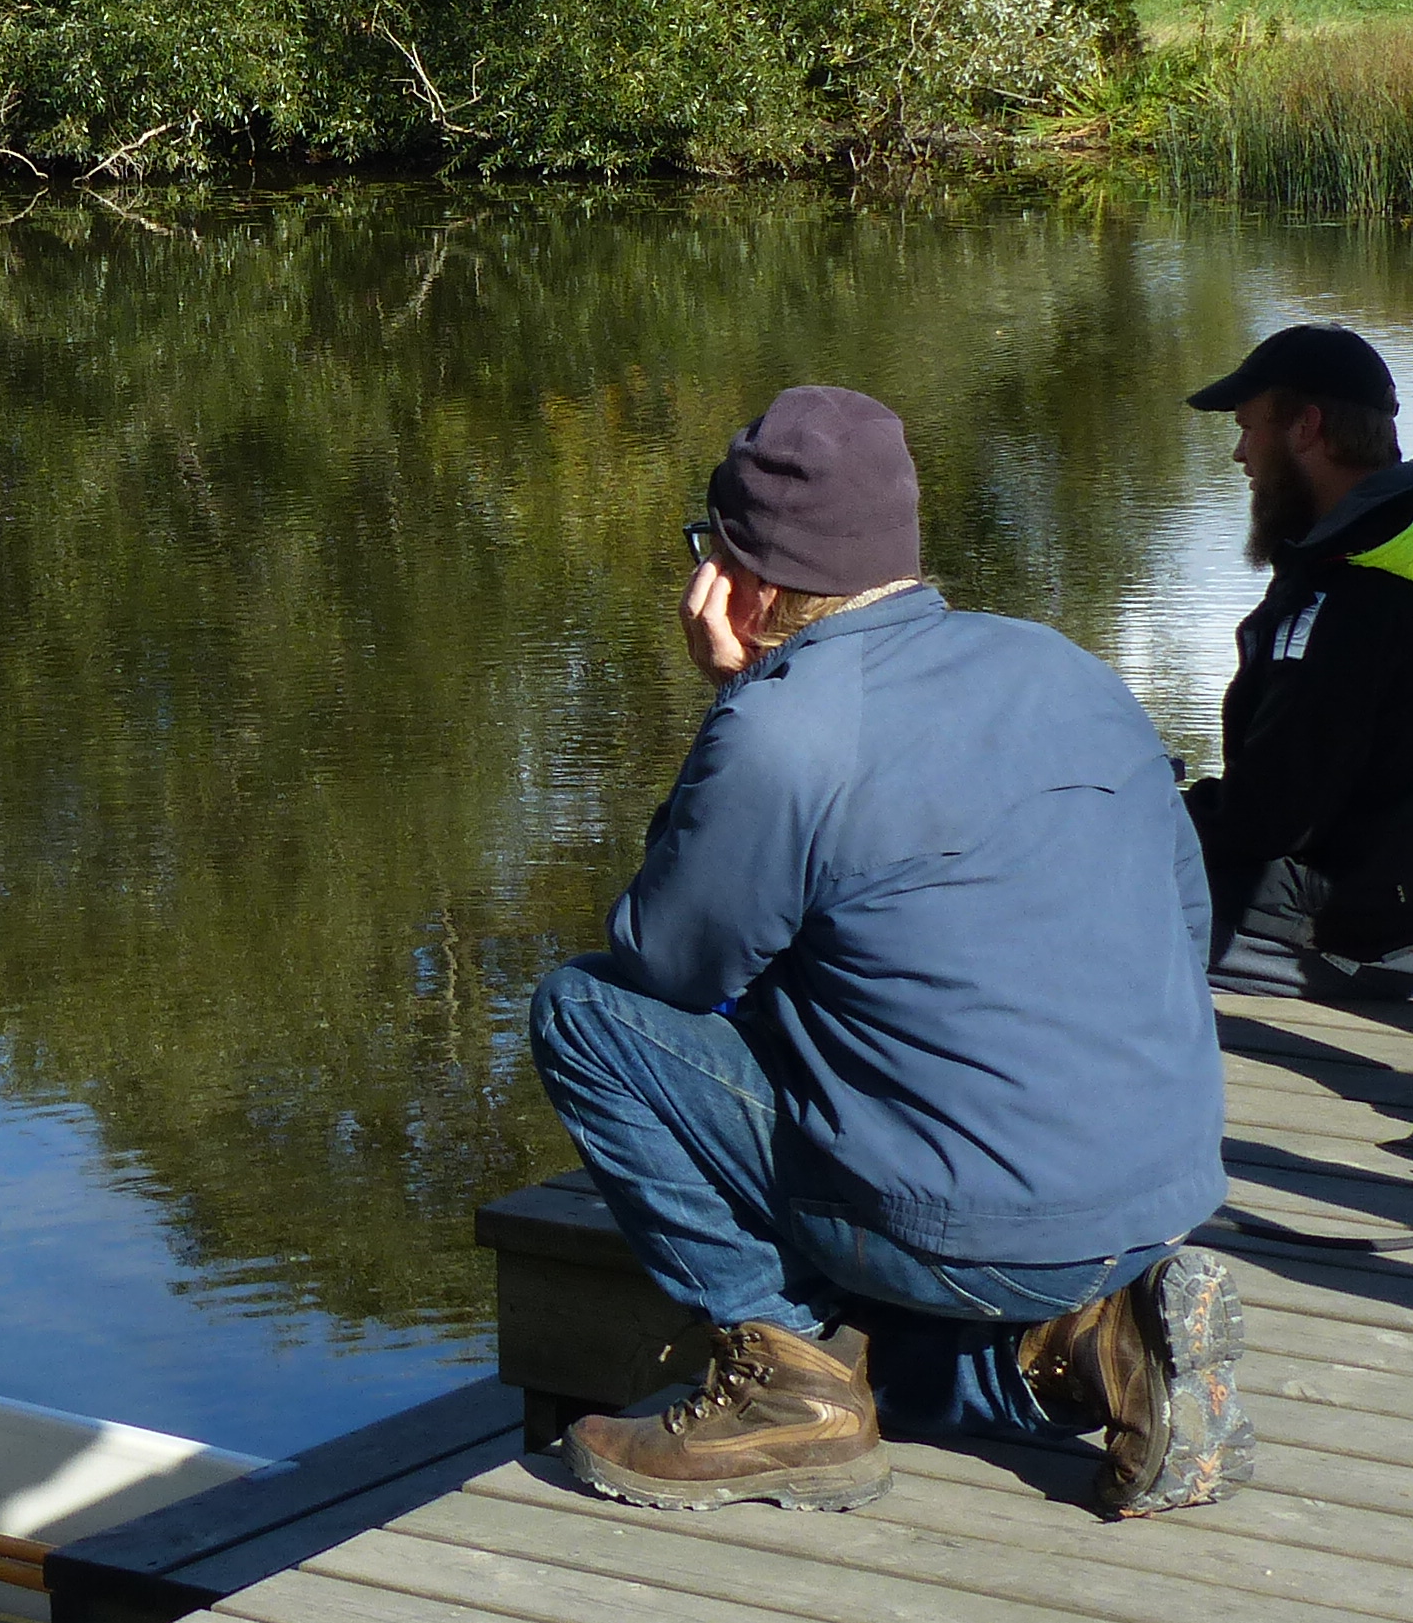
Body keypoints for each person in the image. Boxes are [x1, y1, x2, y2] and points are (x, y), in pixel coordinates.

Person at [528, 386, 1244, 1522]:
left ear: (744, 583)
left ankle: (789, 1389)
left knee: (582, 1015)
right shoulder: (1061, 665)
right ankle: (1103, 1337)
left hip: (979, 1227)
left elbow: (664, 967)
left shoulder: (784, 731)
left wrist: (736, 702)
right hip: (1160, 1186)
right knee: (913, 1339)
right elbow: (1186, 919)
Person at [1183, 325, 1413, 1001]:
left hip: (1399, 943)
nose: (1239, 454)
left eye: (1248, 429)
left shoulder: (1352, 594)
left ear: (1306, 428)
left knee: (1096, 883)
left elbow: (1265, 819)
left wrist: (1149, 810)